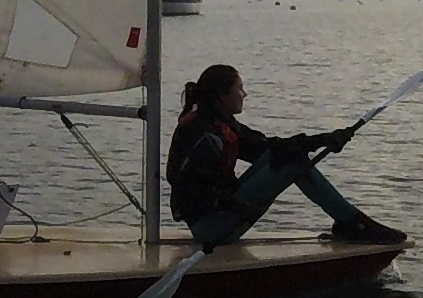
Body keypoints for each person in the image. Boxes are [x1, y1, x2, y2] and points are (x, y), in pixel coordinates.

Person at [167, 64, 406, 249]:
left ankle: (351, 222)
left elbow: (269, 147)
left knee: (289, 155)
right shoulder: (204, 134)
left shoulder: (219, 122)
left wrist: (325, 139)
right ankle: (354, 223)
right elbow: (190, 189)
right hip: (212, 229)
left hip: (222, 216)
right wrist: (239, 207)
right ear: (222, 95)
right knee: (292, 160)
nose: (245, 94)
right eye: (239, 88)